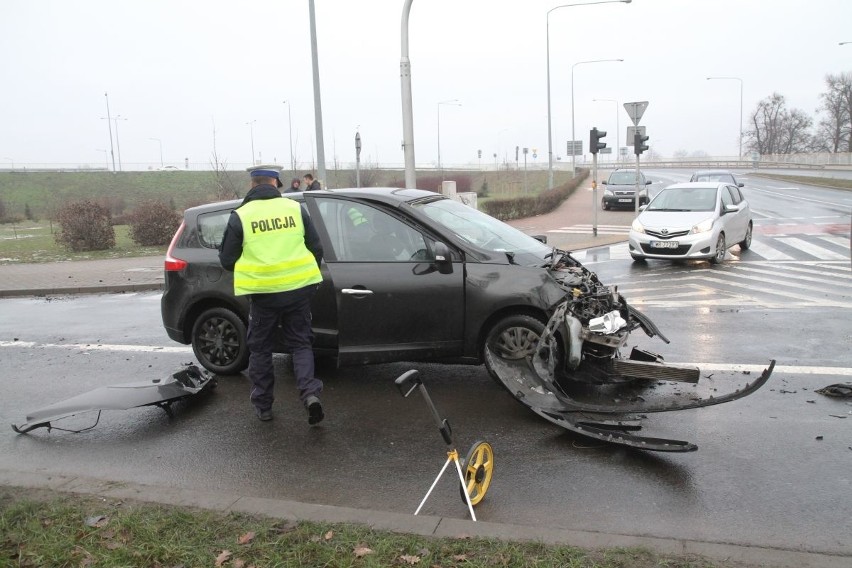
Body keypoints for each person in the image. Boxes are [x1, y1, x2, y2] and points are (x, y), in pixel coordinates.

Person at [218, 167, 325, 425]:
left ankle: (264, 407)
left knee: (261, 349)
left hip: (263, 296)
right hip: (298, 291)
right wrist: (306, 280)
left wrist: (254, 269)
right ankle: (310, 394)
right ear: (276, 183)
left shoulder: (241, 216)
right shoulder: (294, 209)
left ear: (252, 184)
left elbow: (227, 259)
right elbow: (316, 247)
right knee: (301, 345)